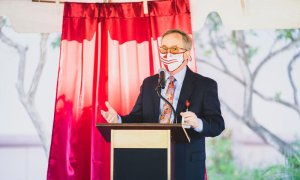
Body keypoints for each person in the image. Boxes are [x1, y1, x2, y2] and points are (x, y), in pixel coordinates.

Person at [101, 29, 225, 180]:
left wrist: (197, 123)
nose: (168, 54)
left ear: (186, 54)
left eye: (174, 49)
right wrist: (119, 121)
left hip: (187, 163)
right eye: (164, 49)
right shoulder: (149, 83)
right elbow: (138, 117)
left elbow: (217, 124)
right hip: (151, 160)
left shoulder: (205, 85)